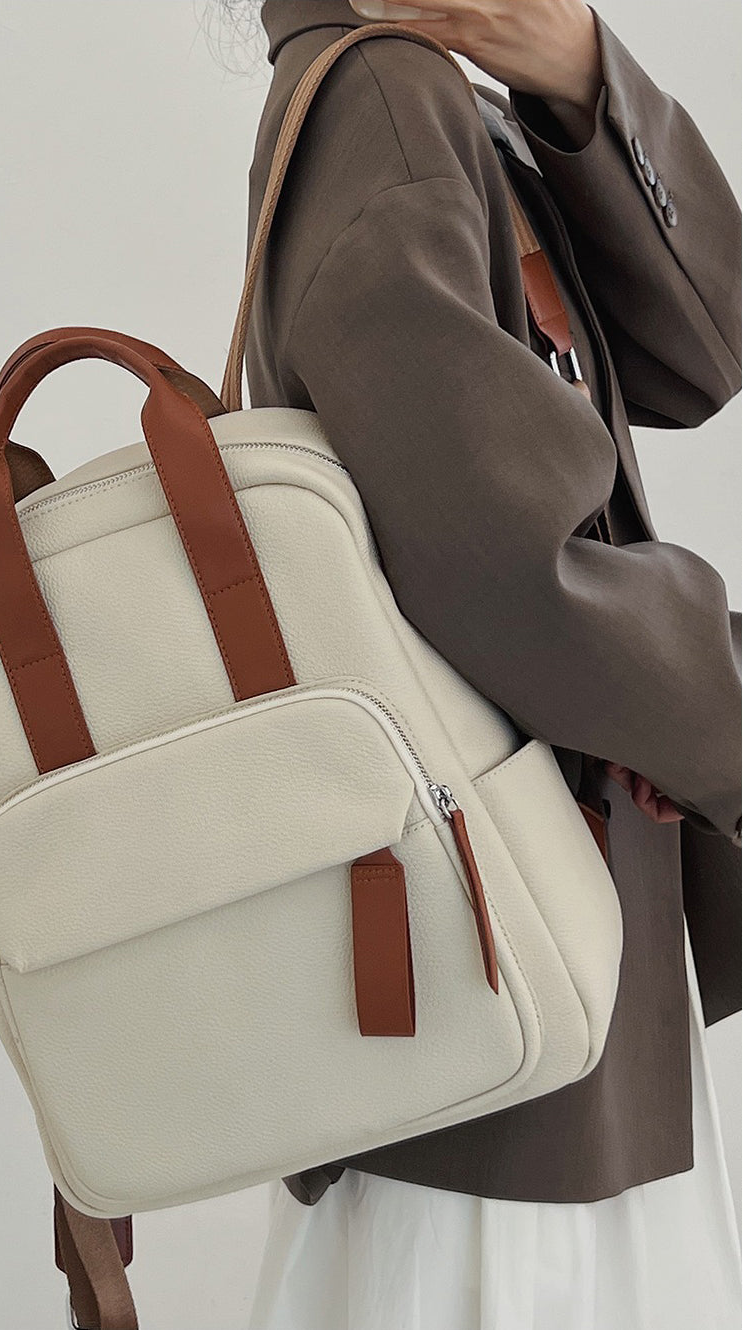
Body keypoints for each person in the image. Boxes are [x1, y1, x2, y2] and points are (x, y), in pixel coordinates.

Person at [215, 2, 743, 1327]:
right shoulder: (385, 99)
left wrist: (577, 79)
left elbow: (703, 346)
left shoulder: (453, 106)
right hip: (506, 992)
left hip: (525, 974)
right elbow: (505, 563)